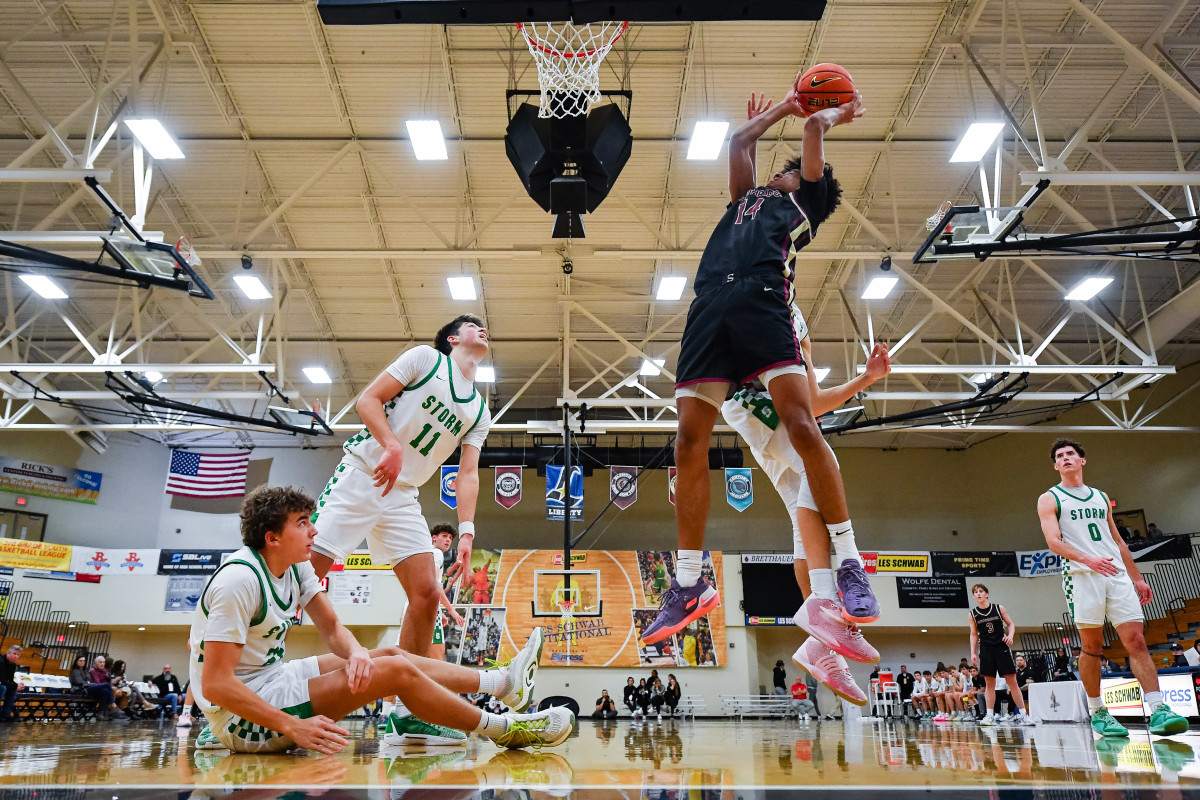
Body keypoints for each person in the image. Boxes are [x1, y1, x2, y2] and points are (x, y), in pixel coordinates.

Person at [642, 80, 865, 650]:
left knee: (800, 422)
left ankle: (846, 561)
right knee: (688, 443)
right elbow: (738, 141)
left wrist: (827, 113)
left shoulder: (804, 204)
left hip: (764, 301)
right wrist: (784, 106)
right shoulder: (744, 200)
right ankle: (689, 582)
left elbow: (814, 132)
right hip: (710, 305)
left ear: (800, 183)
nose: (778, 175)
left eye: (789, 172)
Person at [189, 484, 571, 753]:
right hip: (243, 718)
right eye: (303, 522)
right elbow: (218, 685)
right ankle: (507, 730)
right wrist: (291, 725)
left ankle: (502, 683)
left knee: (386, 655)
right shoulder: (238, 581)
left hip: (271, 680)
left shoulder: (296, 567)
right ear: (272, 538)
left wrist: (355, 652)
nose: (315, 529)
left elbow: (333, 628)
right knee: (392, 673)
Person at [309, 315, 491, 658]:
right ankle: (245, 655)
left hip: (404, 494)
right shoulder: (426, 359)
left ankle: (404, 704)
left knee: (426, 594)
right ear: (452, 340)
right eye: (471, 325)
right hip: (365, 472)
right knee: (304, 571)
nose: (482, 330)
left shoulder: (480, 411)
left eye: (484, 328)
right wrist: (392, 445)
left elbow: (467, 474)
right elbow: (368, 400)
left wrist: (466, 531)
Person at [1038, 438, 1189, 737]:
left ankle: (1158, 708)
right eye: (1060, 456)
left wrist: (1137, 578)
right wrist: (1088, 559)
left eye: (1071, 454)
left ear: (1082, 461)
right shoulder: (1049, 498)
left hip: (1117, 575)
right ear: (1056, 466)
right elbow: (1053, 541)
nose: (1066, 458)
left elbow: (1118, 541)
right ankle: (1098, 712)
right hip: (1082, 575)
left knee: (1137, 640)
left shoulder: (1101, 497)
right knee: (1091, 648)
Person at [968, 584, 1035, 726]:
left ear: (986, 594)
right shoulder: (972, 614)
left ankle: (1023, 715)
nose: (978, 594)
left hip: (1001, 647)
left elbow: (1011, 624)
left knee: (1012, 682)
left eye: (981, 591)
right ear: (974, 596)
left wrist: (1010, 636)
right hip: (986, 649)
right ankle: (990, 715)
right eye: (976, 592)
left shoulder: (999, 608)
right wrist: (973, 652)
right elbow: (974, 634)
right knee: (989, 684)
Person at [0, 645, 23, 723]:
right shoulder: (1, 661)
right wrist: (16, 685)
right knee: (3, 688)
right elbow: (2, 679)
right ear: (8, 653)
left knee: (12, 689)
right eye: (14, 654)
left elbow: (10, 680)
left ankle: (6, 714)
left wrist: (18, 685)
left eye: (18, 655)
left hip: (2, 684)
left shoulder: (13, 665)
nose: (16, 656)